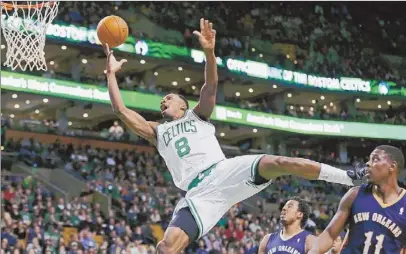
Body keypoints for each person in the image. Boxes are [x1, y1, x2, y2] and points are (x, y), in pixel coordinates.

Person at [104, 18, 364, 254]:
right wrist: (111, 75)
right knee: (166, 247)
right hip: (199, 193)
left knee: (281, 163)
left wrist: (209, 51)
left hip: (224, 170)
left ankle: (346, 177)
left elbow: (211, 86)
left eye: (168, 98)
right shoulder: (157, 131)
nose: (163, 101)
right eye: (162, 100)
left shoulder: (198, 115)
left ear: (183, 105)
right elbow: (121, 110)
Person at [309, 145, 406, 254]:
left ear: (392, 166)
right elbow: (330, 234)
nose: (368, 163)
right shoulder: (354, 194)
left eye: (375, 159)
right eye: (369, 159)